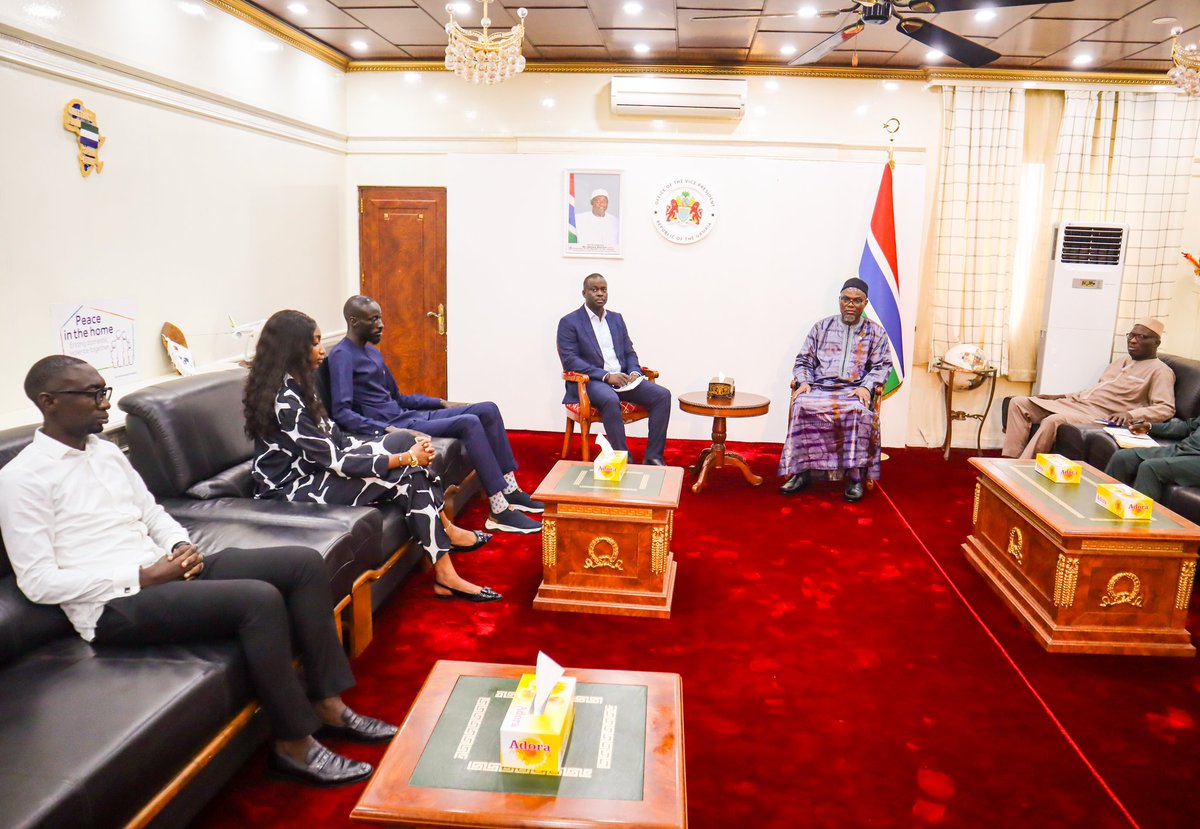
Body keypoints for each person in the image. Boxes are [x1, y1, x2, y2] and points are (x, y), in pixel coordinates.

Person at [0, 355, 397, 788]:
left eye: (105, 392)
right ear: (49, 401)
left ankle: (328, 703)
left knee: (301, 563)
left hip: (164, 569)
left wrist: (179, 545)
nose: (104, 405)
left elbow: (152, 512)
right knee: (257, 599)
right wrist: (144, 575)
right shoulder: (22, 479)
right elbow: (38, 582)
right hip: (112, 604)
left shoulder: (106, 453)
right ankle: (293, 744)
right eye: (93, 395)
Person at [244, 309, 502, 603]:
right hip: (290, 490)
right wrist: (406, 459)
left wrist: (401, 446)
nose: (322, 351)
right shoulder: (286, 401)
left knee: (403, 438)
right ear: (293, 348)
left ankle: (445, 543)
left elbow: (337, 439)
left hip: (317, 470)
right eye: (315, 343)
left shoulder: (301, 384)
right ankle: (445, 571)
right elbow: (337, 462)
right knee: (408, 474)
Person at [326, 295, 541, 535]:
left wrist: (441, 402)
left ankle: (511, 490)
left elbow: (399, 398)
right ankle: (499, 511)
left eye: (380, 317)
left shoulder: (372, 353)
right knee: (469, 422)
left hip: (408, 415)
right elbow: (341, 412)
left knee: (487, 409)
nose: (381, 324)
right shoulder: (341, 356)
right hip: (394, 426)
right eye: (373, 319)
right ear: (354, 321)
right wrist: (388, 430)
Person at [779, 278, 894, 503]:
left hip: (853, 391)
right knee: (802, 404)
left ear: (865, 303)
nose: (850, 304)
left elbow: (882, 366)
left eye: (856, 300)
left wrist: (866, 387)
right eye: (846, 299)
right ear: (839, 301)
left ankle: (855, 478)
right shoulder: (821, 327)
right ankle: (802, 473)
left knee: (857, 412)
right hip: (820, 387)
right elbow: (803, 360)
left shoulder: (876, 333)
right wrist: (803, 382)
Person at [1002, 319, 1175, 459]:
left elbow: (1165, 408)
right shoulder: (1120, 361)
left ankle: (1022, 468)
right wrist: (1059, 396)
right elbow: (1096, 391)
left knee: (1054, 420)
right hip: (1077, 403)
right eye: (1131, 335)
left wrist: (1131, 415)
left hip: (1100, 415)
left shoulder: (1160, 371)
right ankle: (1010, 460)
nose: (1133, 340)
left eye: (1142, 337)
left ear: (1156, 343)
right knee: (1019, 403)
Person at [556, 273, 672, 465]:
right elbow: (570, 361)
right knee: (610, 399)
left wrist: (635, 371)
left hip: (624, 380)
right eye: (594, 290)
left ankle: (653, 458)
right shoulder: (569, 322)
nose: (600, 294)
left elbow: (629, 351)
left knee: (662, 395)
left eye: (603, 289)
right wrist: (606, 376)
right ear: (584, 293)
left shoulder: (616, 319)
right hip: (592, 381)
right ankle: (624, 459)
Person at [1104, 415, 1200, 502]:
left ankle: (1138, 519)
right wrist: (1149, 427)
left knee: (1151, 468)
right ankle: (1104, 507)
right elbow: (1188, 426)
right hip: (1184, 450)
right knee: (1122, 458)